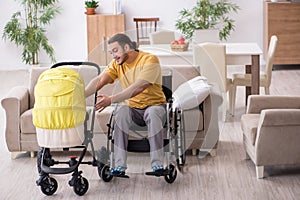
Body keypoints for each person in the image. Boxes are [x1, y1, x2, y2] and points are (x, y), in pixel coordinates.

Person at [85, 33, 167, 176]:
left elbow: (138, 87)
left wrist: (111, 99)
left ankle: (158, 165)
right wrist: (80, 95)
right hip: (132, 109)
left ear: (127, 47)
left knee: (153, 113)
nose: (113, 56)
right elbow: (100, 80)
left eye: (115, 51)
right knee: (121, 111)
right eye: (111, 52)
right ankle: (119, 166)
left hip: (155, 106)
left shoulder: (149, 60)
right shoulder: (117, 64)